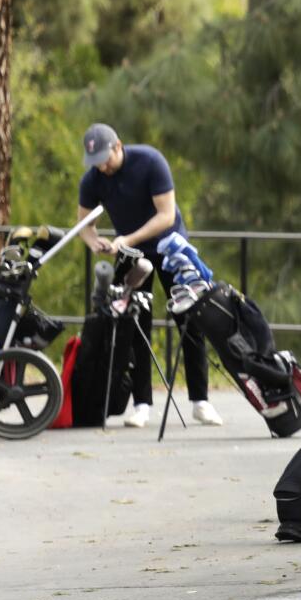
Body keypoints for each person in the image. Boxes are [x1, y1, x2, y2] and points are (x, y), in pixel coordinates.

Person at [76, 123, 221, 428]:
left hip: (169, 248)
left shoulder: (150, 161)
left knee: (189, 320)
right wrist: (95, 243)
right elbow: (84, 224)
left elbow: (166, 216)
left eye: (106, 158)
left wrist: (125, 239)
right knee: (132, 325)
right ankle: (142, 404)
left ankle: (200, 401)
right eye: (95, 162)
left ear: (119, 146)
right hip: (129, 254)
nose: (102, 166)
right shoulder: (93, 179)